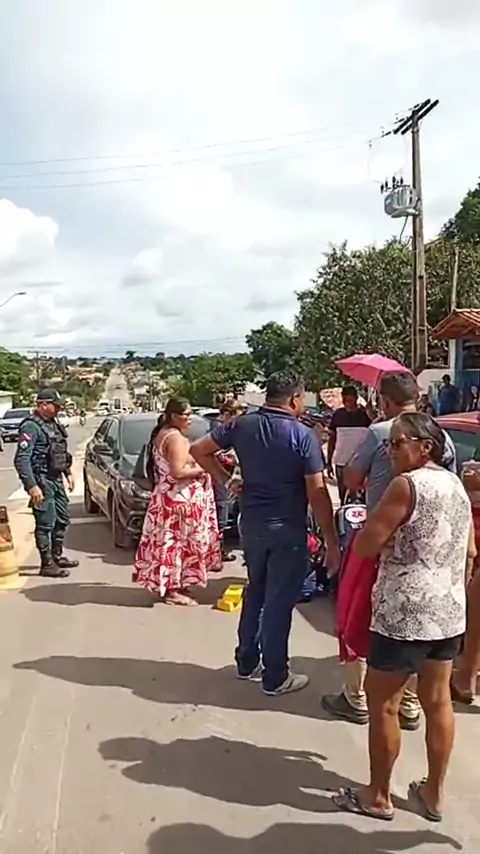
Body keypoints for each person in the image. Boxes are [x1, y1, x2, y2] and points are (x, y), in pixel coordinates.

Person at [333, 412, 475, 822]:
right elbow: (467, 550)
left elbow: (366, 545)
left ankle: (377, 796)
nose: (390, 451)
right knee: (438, 701)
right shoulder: (455, 484)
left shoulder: (406, 486)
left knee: (384, 704)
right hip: (447, 612)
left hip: (404, 613)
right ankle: (433, 793)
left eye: (397, 443)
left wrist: (388, 536)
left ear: (425, 447)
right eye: (389, 444)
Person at [190, 371, 340, 696]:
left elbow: (199, 449)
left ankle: (246, 662)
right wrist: (330, 540)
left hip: (252, 525)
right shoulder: (302, 436)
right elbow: (317, 493)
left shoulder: (241, 425)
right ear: (295, 399)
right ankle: (275, 676)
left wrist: (227, 480)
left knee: (256, 590)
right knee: (279, 602)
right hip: (287, 528)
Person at [322, 372, 456, 729]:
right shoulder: (440, 436)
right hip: (431, 549)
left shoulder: (379, 432)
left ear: (385, 401)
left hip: (382, 538)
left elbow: (351, 479)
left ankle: (356, 697)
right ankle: (410, 703)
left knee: (358, 615)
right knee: (417, 631)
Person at [133, 397, 222, 606]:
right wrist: (206, 468)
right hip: (178, 501)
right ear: (174, 416)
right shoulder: (174, 438)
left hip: (169, 499)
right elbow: (178, 472)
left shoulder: (164, 434)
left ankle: (175, 584)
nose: (190, 419)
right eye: (186, 415)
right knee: (176, 545)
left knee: (171, 544)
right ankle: (172, 591)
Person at [14, 388, 78, 578]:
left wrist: (67, 472)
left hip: (55, 477)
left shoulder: (52, 424)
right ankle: (47, 564)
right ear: (43, 405)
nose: (58, 409)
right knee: (45, 523)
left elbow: (58, 451)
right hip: (42, 480)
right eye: (55, 406)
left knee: (62, 518)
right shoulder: (31, 427)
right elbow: (21, 459)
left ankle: (56, 556)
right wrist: (32, 486)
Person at [211, 400, 243, 563]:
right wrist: (231, 460)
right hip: (220, 478)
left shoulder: (225, 428)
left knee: (225, 511)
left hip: (227, 476)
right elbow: (214, 453)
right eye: (236, 415)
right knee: (221, 512)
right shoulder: (219, 430)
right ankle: (217, 552)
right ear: (227, 414)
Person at [327, 385, 371, 503]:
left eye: (350, 400)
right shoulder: (338, 415)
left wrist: (371, 413)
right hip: (341, 461)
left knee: (362, 498)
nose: (347, 404)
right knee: (343, 497)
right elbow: (332, 439)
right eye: (345, 400)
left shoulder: (366, 415)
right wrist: (329, 462)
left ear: (356, 398)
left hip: (361, 463)